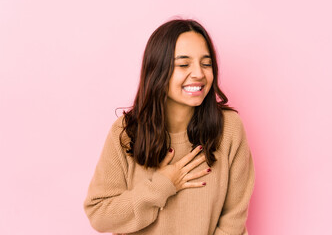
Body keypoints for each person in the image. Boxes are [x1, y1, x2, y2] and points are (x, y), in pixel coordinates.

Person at [83, 18, 255, 235]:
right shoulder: (125, 132)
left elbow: (233, 221)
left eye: (206, 63)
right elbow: (99, 214)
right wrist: (161, 185)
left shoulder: (229, 128)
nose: (199, 74)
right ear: (157, 71)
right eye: (184, 64)